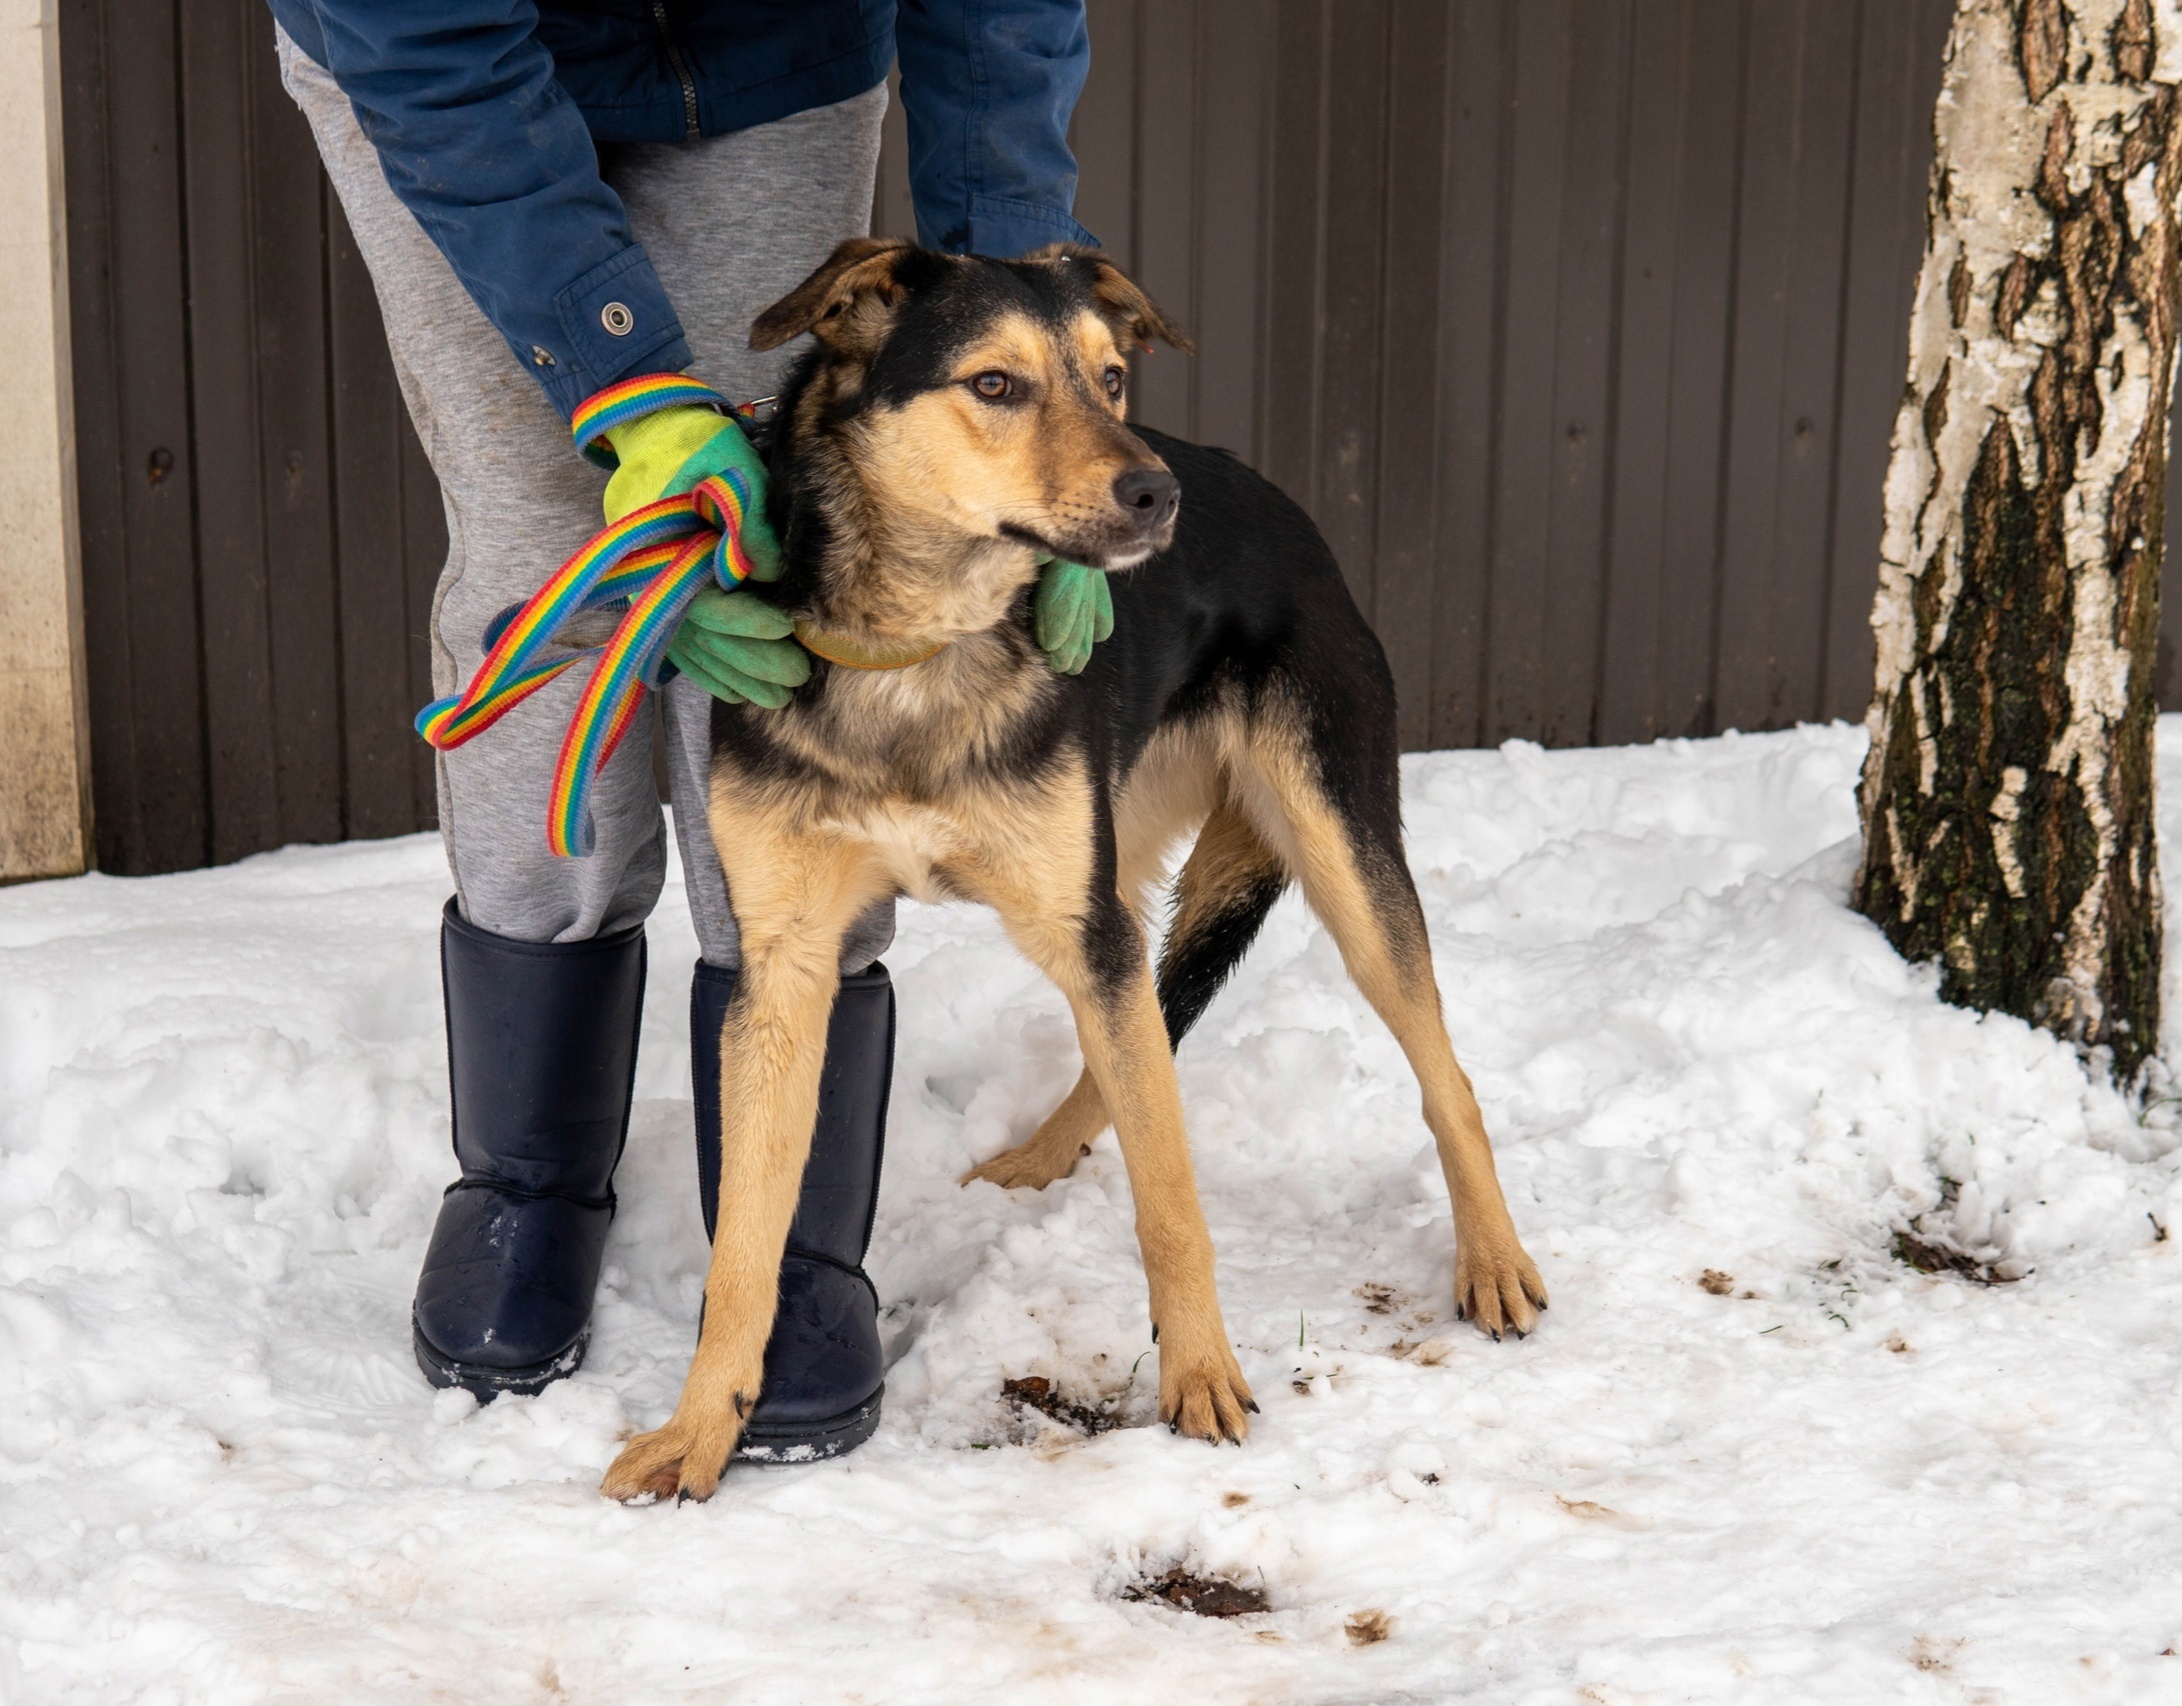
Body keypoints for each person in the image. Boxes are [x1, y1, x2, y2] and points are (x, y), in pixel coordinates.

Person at [268, 0, 1107, 1460]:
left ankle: (785, 1224)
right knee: (556, 559)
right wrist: (633, 399)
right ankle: (529, 1175)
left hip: (770, 55)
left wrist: (1021, 298)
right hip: (440, 64)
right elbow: (430, 42)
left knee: (784, 530)